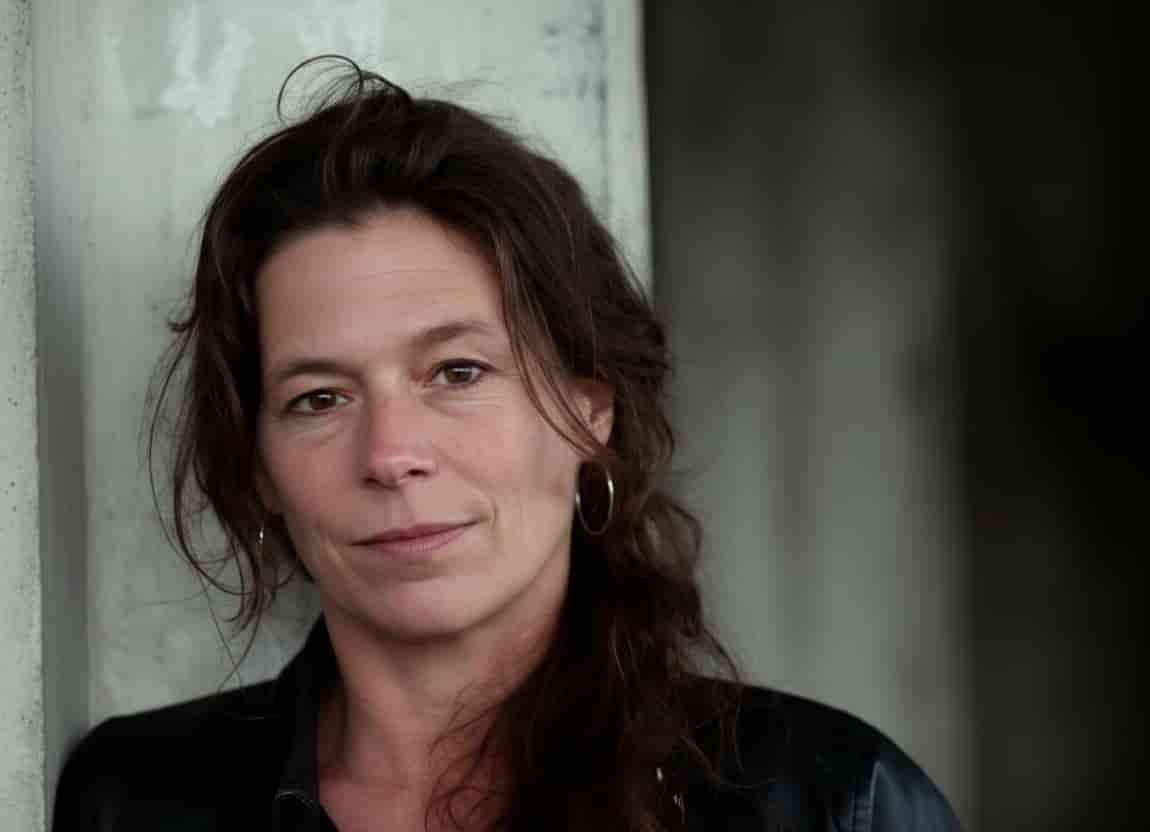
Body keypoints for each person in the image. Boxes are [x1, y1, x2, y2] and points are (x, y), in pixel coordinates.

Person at [52, 58, 962, 831]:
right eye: (318, 397)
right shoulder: (137, 802)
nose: (391, 454)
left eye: (458, 373)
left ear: (588, 411)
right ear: (259, 468)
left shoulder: (828, 803)